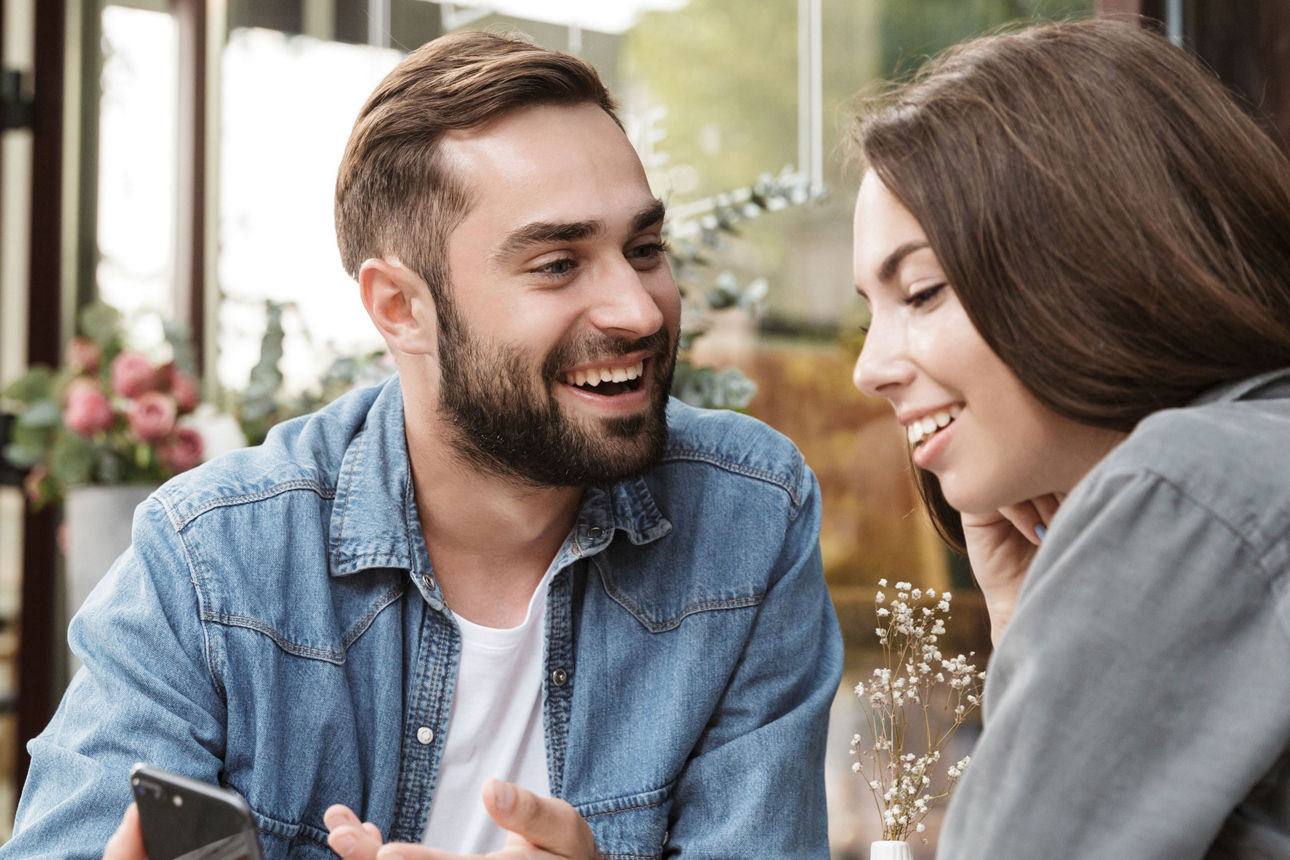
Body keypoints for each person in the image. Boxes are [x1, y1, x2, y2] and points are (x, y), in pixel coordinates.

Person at [5, 30, 842, 859]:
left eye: (644, 249)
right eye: (558, 263)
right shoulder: (211, 560)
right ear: (400, 308)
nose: (640, 309)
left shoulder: (749, 514)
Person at [847, 17, 1290, 859]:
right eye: (868, 310)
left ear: (1085, 260)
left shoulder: (1187, 488)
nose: (869, 369)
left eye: (924, 290)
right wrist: (1035, 625)